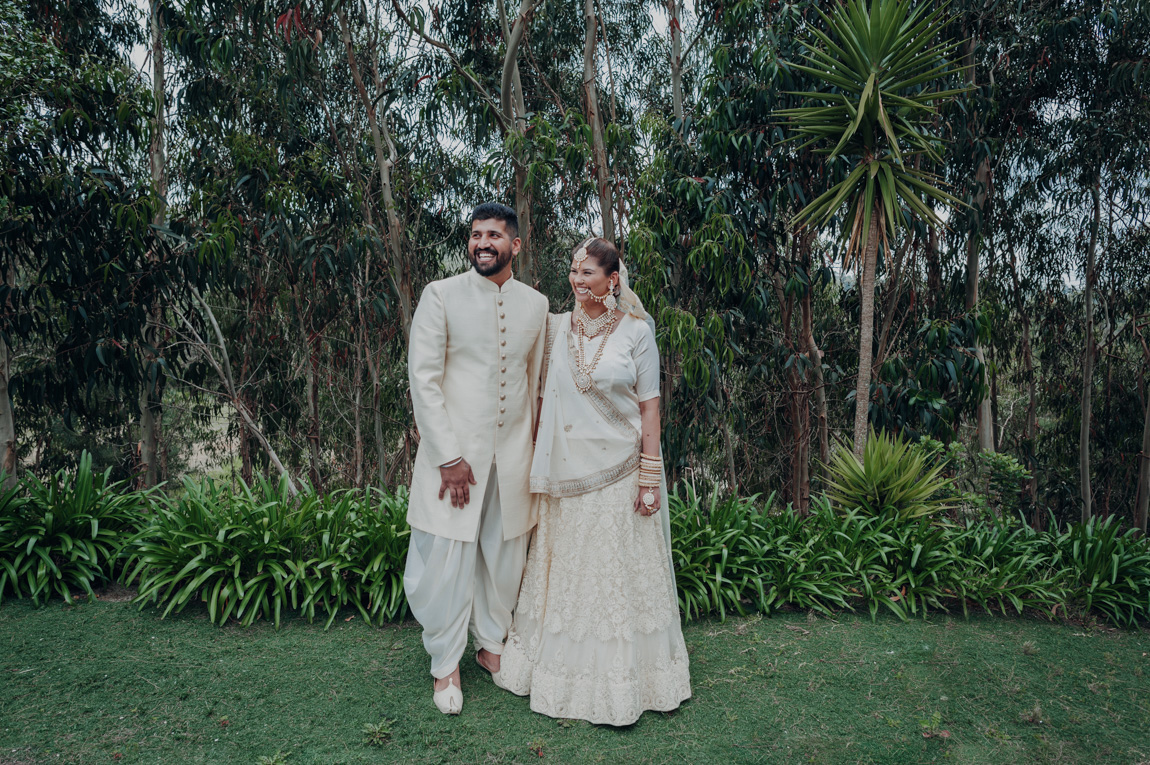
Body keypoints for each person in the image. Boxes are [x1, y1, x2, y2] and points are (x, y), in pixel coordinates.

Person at [499, 237, 691, 725]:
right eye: (573, 271)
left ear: (613, 278)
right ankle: (560, 673)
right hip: (567, 476)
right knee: (571, 576)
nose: (577, 280)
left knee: (613, 578)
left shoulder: (636, 333)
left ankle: (627, 681)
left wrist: (650, 477)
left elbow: (649, 407)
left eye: (587, 273)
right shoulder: (556, 328)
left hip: (620, 473)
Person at [403, 202, 549, 715]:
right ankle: (445, 664)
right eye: (475, 235)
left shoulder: (536, 304)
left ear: (515, 244)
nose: (482, 243)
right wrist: (447, 457)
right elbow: (423, 379)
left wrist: (534, 452)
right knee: (445, 558)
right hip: (455, 460)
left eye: (493, 236)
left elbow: (534, 384)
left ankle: (491, 647)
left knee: (504, 556)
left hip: (511, 458)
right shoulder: (440, 295)